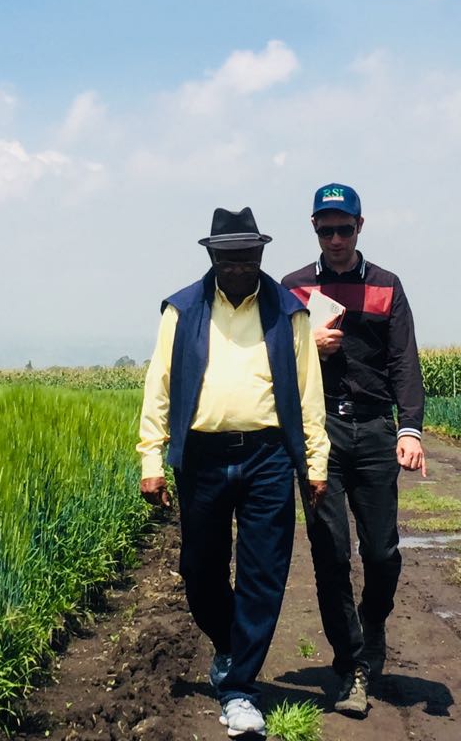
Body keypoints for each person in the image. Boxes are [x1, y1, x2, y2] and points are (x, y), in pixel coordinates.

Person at [138, 207, 329, 739]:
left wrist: (315, 464)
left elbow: (310, 395)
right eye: (230, 256)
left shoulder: (289, 311)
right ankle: (230, 646)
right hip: (201, 458)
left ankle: (239, 687)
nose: (241, 265)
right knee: (200, 571)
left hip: (268, 457)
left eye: (250, 255)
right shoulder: (181, 310)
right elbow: (158, 388)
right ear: (213, 257)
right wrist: (151, 460)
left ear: (261, 254)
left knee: (264, 575)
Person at [282, 183, 426, 719]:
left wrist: (409, 429)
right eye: (326, 229)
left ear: (360, 227)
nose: (336, 238)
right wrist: (307, 346)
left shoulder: (386, 286)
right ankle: (351, 667)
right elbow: (273, 362)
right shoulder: (293, 288)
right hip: (320, 434)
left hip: (373, 432)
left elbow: (404, 363)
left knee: (383, 553)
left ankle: (373, 624)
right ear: (314, 230)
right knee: (330, 552)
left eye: (345, 228)